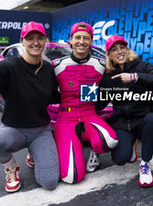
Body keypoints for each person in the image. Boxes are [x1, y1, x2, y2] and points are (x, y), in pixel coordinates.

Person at [0, 20, 60, 193]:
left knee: (49, 183)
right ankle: (11, 168)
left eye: (40, 38)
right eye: (30, 38)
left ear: (45, 41)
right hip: (14, 130)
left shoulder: (48, 69)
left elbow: (55, 95)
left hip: (41, 131)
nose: (35, 42)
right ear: (23, 41)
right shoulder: (8, 66)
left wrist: (76, 91)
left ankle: (34, 153)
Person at [98, 35, 153, 187]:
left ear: (127, 49)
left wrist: (135, 77)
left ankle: (145, 164)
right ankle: (131, 147)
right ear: (109, 55)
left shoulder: (142, 66)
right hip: (122, 123)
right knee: (120, 159)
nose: (119, 52)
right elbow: (100, 104)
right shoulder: (108, 77)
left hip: (143, 120)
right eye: (114, 49)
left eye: (122, 47)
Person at [52, 22, 118, 184]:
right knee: (72, 177)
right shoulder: (56, 65)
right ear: (71, 40)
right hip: (66, 119)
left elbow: (108, 88)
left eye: (86, 38)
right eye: (78, 38)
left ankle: (95, 151)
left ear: (91, 41)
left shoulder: (101, 65)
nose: (81, 41)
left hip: (89, 115)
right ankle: (72, 143)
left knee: (109, 140)